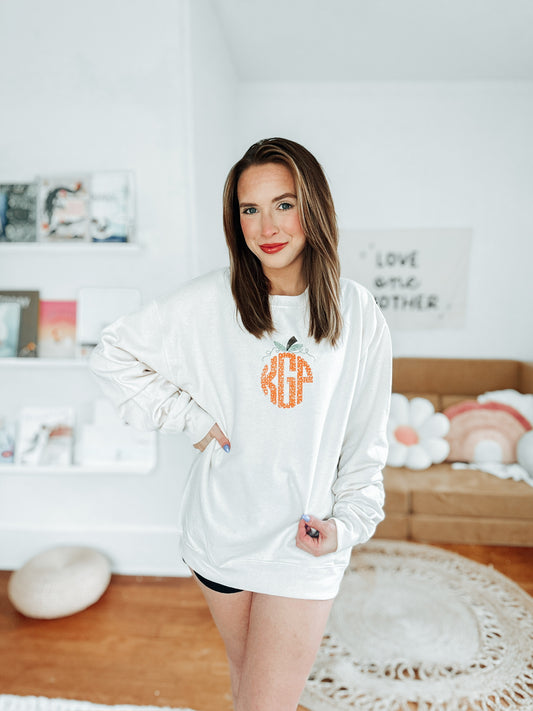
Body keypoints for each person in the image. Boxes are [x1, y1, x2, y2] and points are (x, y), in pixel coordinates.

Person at [89, 137, 392, 711]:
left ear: (314, 207)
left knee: (264, 700)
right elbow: (113, 352)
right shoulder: (212, 300)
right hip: (222, 534)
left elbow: (365, 439)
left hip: (304, 541)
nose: (266, 227)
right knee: (246, 681)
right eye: (250, 209)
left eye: (284, 204)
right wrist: (192, 420)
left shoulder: (358, 312)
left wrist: (348, 525)